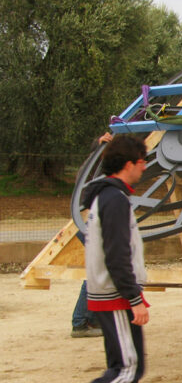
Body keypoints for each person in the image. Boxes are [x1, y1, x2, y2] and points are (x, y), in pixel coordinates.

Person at [50, 134, 175, 383]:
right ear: (129, 164)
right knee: (128, 369)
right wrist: (134, 299)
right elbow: (117, 256)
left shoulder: (105, 197)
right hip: (115, 297)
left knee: (127, 367)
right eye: (142, 162)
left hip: (110, 294)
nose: (144, 168)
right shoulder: (115, 200)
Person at [70, 132, 114, 338]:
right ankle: (80, 322)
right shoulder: (92, 170)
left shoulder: (95, 169)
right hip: (89, 224)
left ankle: (92, 319)